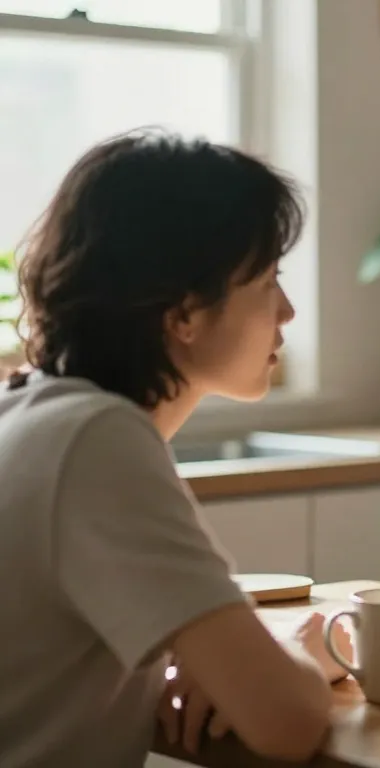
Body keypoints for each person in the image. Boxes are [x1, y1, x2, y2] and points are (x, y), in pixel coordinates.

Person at [0, 130, 352, 767]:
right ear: (184, 312)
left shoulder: (29, 413)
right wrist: (310, 649)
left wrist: (215, 657)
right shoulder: (95, 443)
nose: (290, 311)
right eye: (269, 281)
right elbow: (287, 722)